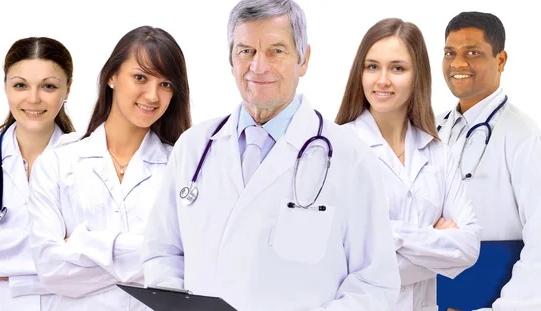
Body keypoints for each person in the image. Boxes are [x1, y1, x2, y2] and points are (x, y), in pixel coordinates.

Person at [141, 1, 401, 310]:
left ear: (303, 59)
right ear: (231, 60)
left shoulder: (350, 156)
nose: (259, 66)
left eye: (276, 51)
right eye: (246, 51)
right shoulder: (193, 147)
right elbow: (162, 254)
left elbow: (374, 282)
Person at [27, 25, 191, 310]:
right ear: (112, 76)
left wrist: (83, 244)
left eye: (166, 84)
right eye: (140, 77)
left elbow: (190, 264)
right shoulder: (56, 163)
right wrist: (151, 256)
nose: (153, 95)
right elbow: (52, 271)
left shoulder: (184, 168)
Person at [335, 17, 481, 311]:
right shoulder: (338, 148)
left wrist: (388, 235)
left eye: (397, 68)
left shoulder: (437, 152)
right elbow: (342, 265)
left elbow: (469, 248)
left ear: (418, 76)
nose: (382, 80)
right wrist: (435, 241)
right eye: (372, 66)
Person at [436, 11, 541, 311]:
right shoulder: (431, 129)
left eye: (473, 52)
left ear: (501, 60)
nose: (458, 63)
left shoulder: (524, 139)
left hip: (496, 299)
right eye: (450, 53)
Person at [0, 37, 75, 310]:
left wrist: (2, 268)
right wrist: (56, 250)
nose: (33, 98)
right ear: (5, 88)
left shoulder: (87, 159)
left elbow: (95, 260)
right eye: (20, 85)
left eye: (48, 86)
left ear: (67, 89)